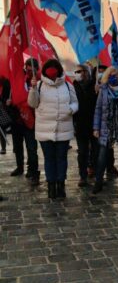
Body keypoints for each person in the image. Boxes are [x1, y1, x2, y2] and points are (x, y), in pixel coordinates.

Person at [28, 59, 78, 199]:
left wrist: (70, 109)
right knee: (49, 158)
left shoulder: (68, 86)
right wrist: (32, 89)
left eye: (54, 67)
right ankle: (51, 186)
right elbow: (32, 104)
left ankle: (61, 185)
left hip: (64, 128)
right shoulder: (38, 85)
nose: (52, 71)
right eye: (49, 68)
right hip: (44, 129)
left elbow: (75, 103)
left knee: (61, 158)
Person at [92, 66, 118, 196]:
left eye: (116, 75)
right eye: (111, 75)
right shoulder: (103, 90)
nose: (113, 77)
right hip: (106, 126)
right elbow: (98, 109)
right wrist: (96, 128)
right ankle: (98, 182)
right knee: (102, 156)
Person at [8, 58, 40, 186]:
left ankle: (33, 171)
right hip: (16, 120)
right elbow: (8, 95)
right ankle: (19, 166)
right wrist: (9, 102)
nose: (29, 70)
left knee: (31, 148)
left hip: (31, 120)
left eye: (32, 68)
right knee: (17, 147)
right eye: (27, 67)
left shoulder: (38, 81)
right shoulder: (18, 79)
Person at [73, 64, 98, 187]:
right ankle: (83, 176)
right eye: (78, 71)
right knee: (82, 152)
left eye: (83, 71)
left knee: (96, 150)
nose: (81, 73)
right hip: (80, 125)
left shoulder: (95, 85)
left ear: (88, 73)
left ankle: (95, 171)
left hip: (94, 124)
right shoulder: (72, 87)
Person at [0, 77, 11, 154]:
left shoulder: (6, 81)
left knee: (2, 128)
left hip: (3, 108)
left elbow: (6, 96)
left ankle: (3, 147)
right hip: (3, 106)